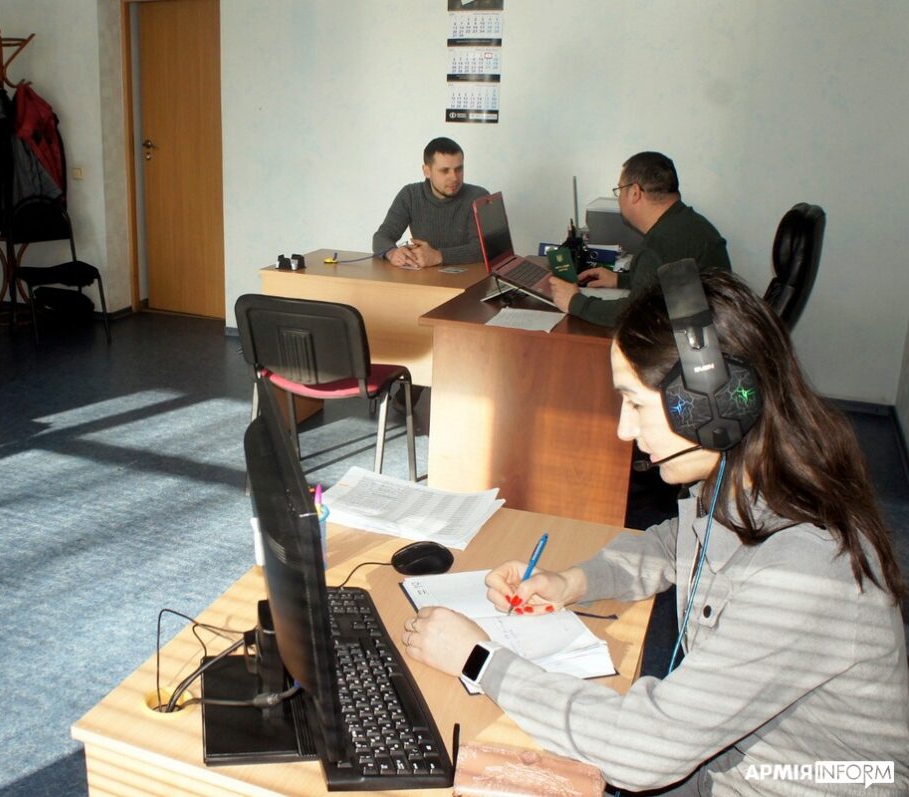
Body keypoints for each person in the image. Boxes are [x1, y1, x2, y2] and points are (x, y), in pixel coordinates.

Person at [402, 271, 908, 795]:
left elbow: (645, 751)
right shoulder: (748, 485)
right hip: (731, 763)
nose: (624, 429)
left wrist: (479, 659)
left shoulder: (806, 572)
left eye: (636, 403)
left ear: (715, 408)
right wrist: (574, 581)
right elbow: (674, 543)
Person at [551, 152, 730, 327]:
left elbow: (636, 315)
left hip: (690, 340)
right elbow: (668, 286)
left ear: (635, 192)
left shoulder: (659, 244)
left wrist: (574, 302)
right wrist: (621, 280)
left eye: (620, 190)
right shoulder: (690, 223)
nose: (619, 198)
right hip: (718, 332)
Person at [372, 137, 488, 269]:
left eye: (459, 169)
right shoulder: (410, 195)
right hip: (425, 277)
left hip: (471, 277)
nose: (454, 177)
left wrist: (438, 256)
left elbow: (484, 248)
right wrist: (392, 253)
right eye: (445, 171)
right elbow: (381, 237)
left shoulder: (478, 197)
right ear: (427, 171)